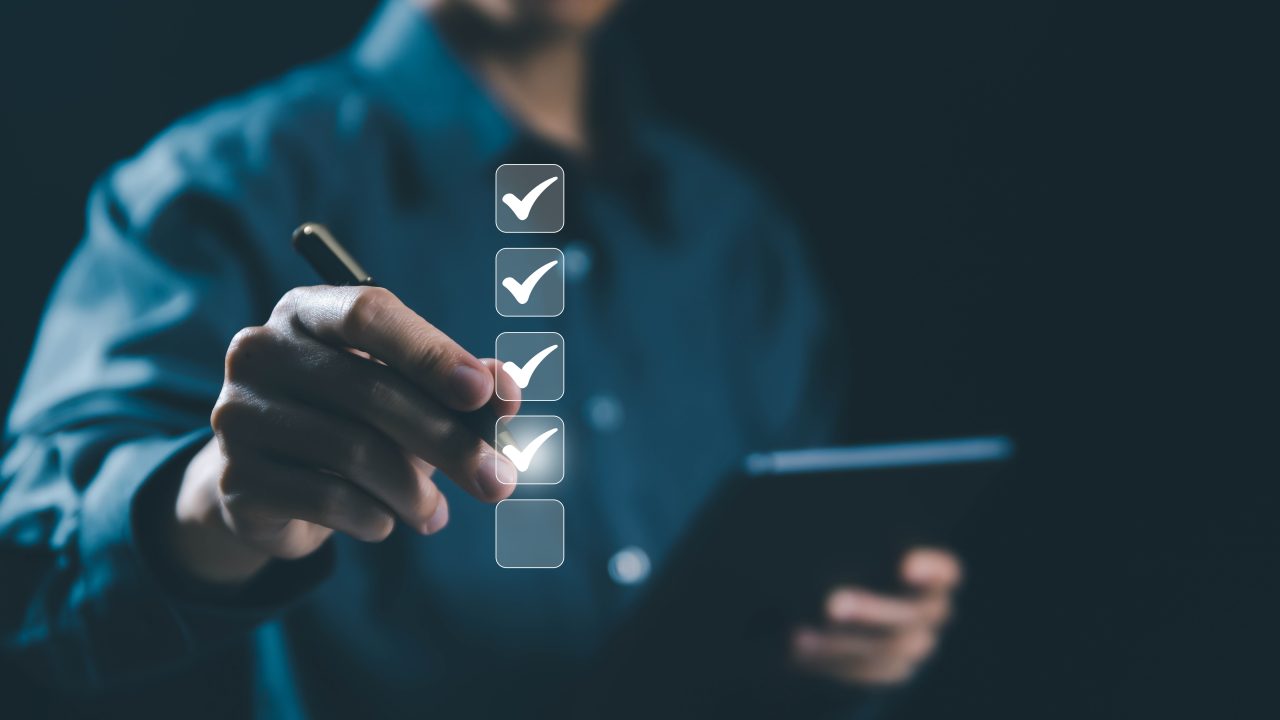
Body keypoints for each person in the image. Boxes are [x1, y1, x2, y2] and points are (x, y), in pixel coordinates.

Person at [0, 0, 962, 716]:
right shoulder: (222, 185)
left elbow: (799, 575)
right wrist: (218, 494)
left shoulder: (736, 236)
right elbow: (31, 559)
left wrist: (853, 637)